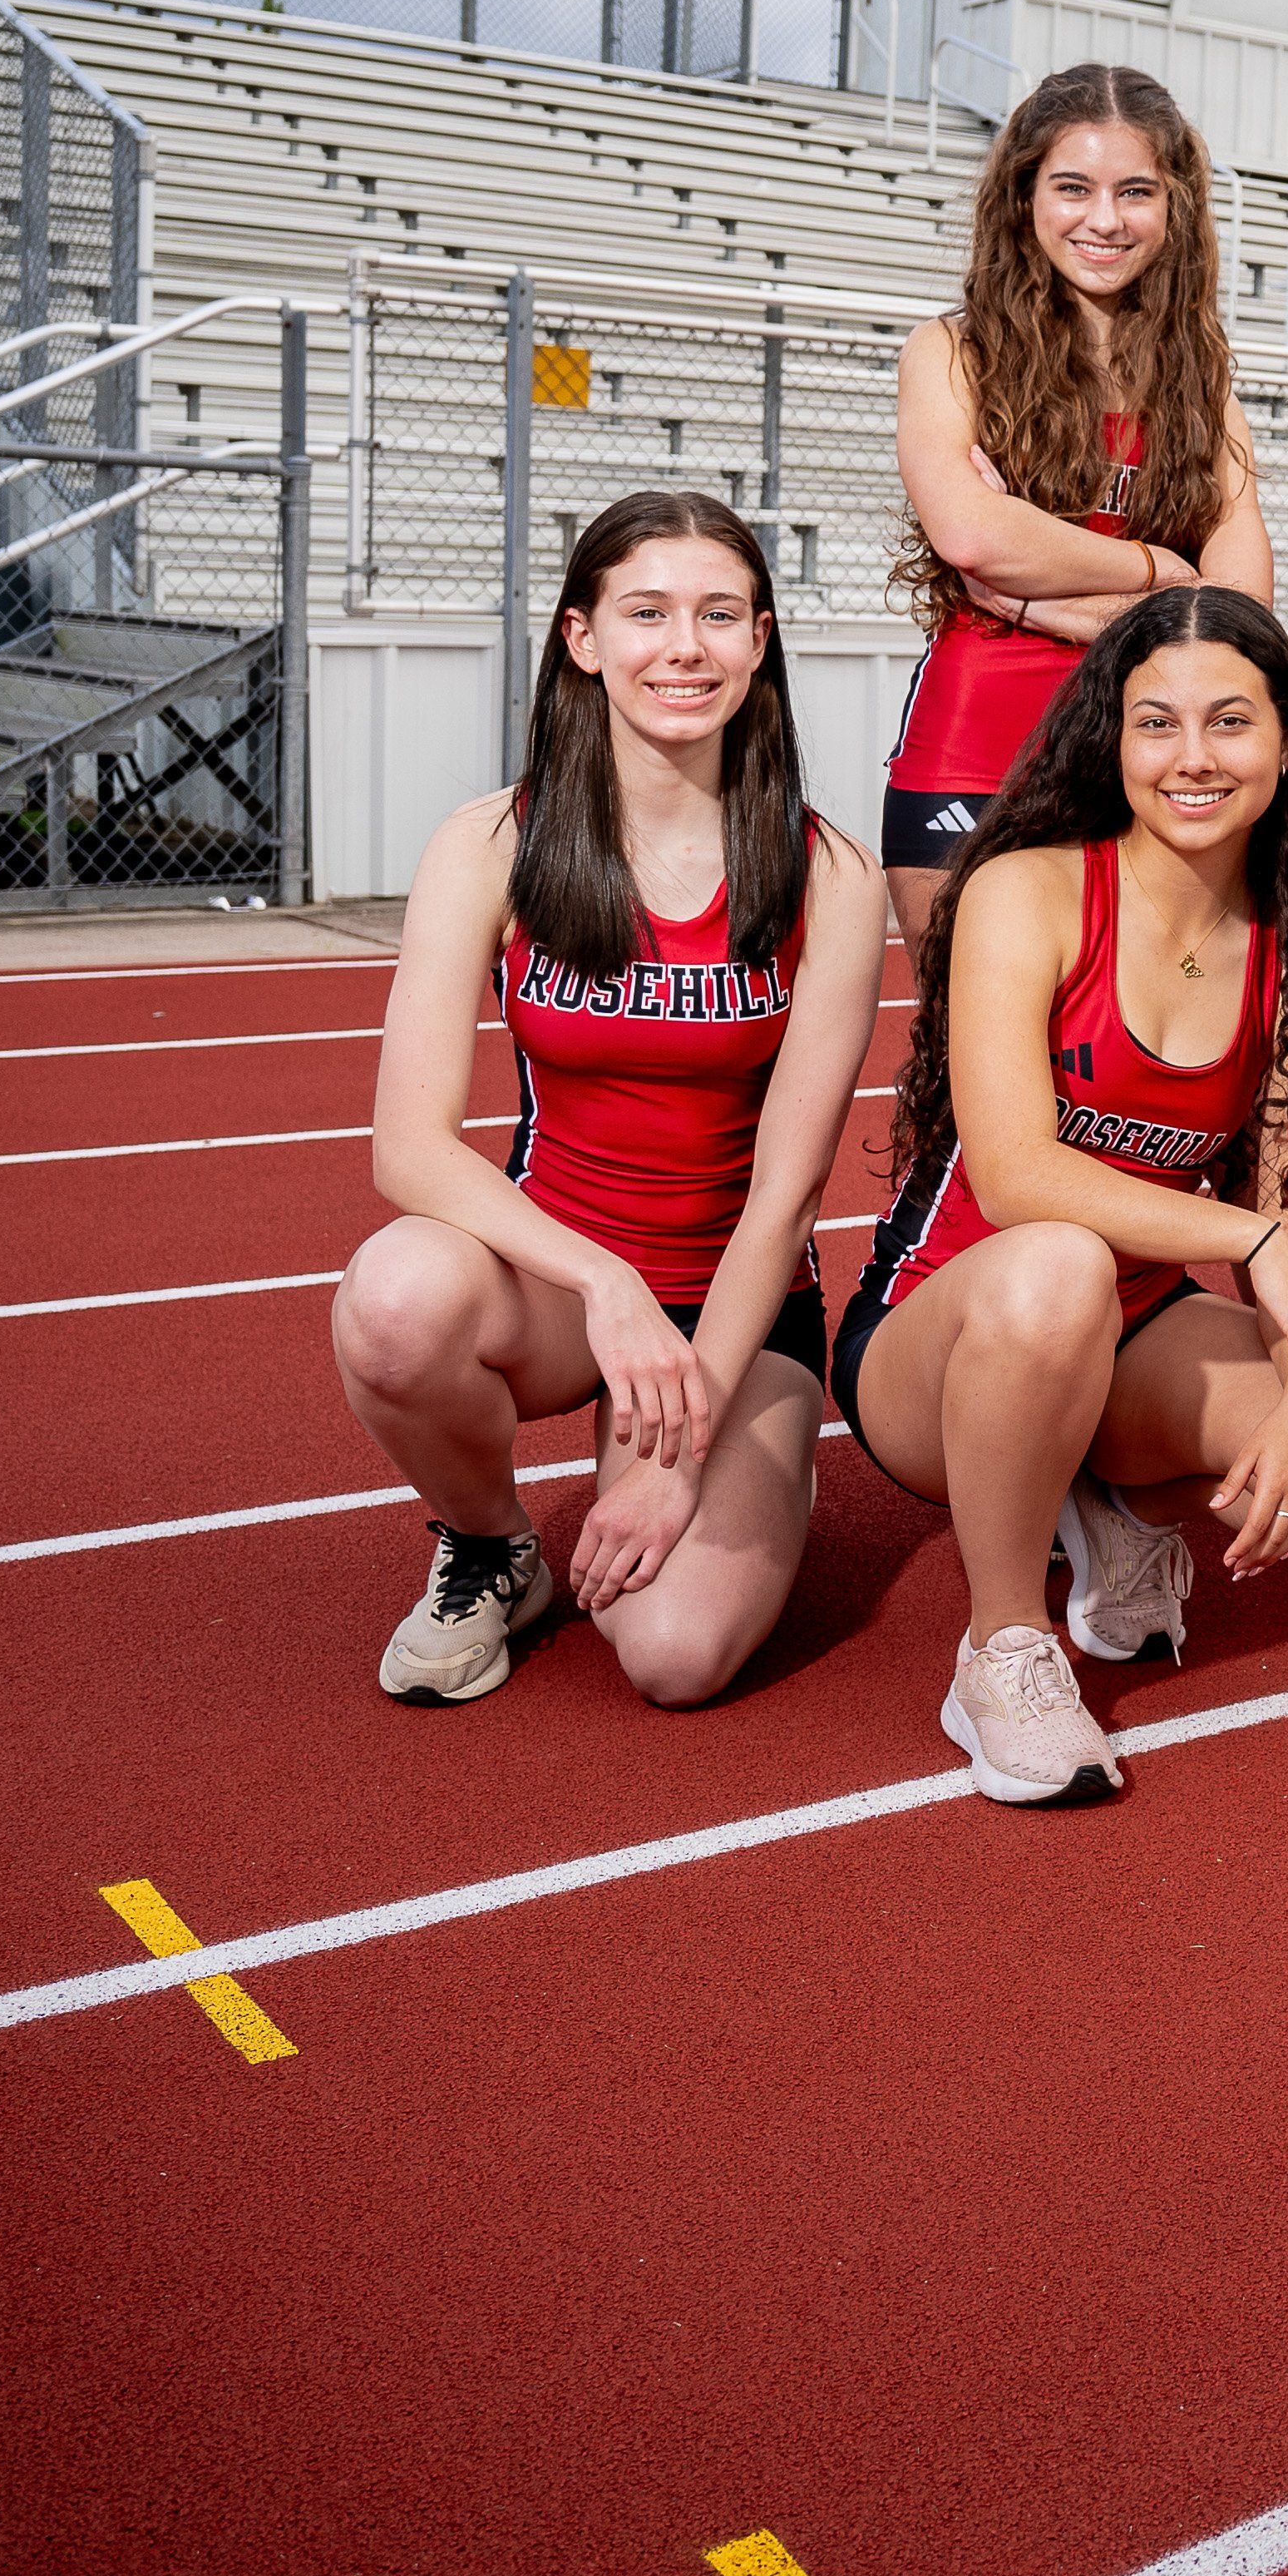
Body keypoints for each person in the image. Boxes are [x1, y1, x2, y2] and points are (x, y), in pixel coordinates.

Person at [834, 586, 1288, 1807]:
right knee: (1059, 1264)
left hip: (1133, 1326)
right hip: (947, 1330)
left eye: (1229, 723)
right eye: (1156, 724)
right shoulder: (1030, 888)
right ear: (1111, 738)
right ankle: (1003, 1645)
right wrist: (1246, 1236)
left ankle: (1094, 1494)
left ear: (1285, 742)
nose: (1193, 758)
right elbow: (1014, 1174)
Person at [335, 493, 882, 1708]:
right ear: (583, 638)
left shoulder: (830, 877)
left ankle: (734, 1464)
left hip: (734, 1303)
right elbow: (410, 1148)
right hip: (560, 1284)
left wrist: (682, 1450)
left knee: (676, 1657)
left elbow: (788, 1197)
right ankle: (491, 1542)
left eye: (718, 616)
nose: (683, 647)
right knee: (393, 1297)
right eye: (647, 614)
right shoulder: (490, 845)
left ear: (760, 641)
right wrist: (605, 1282)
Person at [881, 63, 1273, 935]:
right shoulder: (951, 353)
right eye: (1073, 187)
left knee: (1125, 1048)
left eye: (1135, 191)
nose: (1104, 219)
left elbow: (1240, 610)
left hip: (1154, 743)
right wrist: (1157, 573)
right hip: (977, 738)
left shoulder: (1203, 386)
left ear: (1174, 211)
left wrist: (1037, 599)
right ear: (1025, 197)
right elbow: (974, 536)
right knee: (963, 1044)